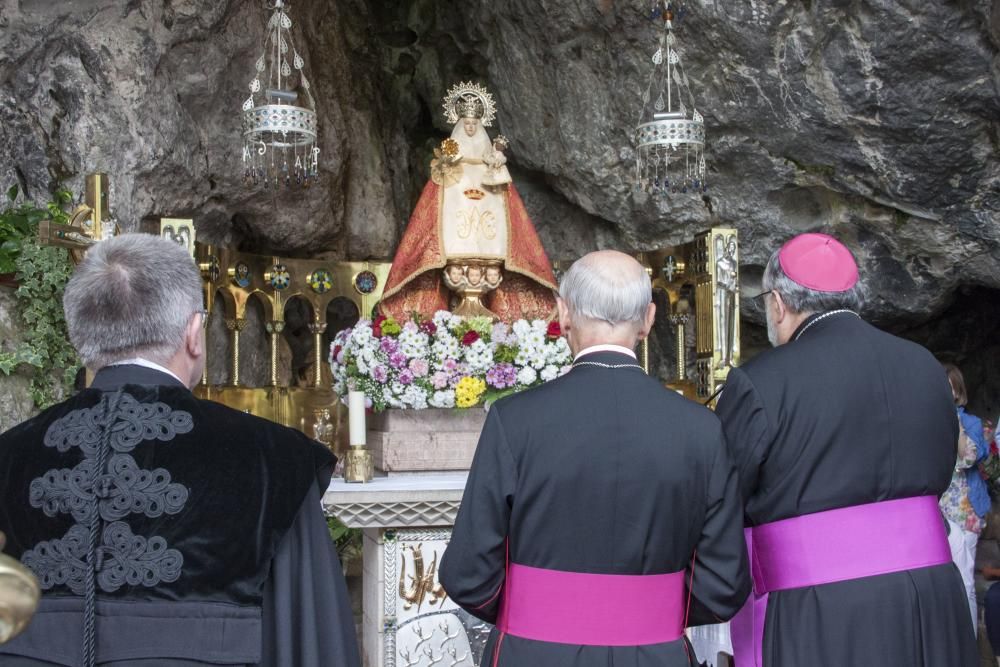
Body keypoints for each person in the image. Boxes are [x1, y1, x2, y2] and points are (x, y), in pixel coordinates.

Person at [0, 234, 360, 667]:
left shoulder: (8, 455)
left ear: (82, 339)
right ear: (194, 333)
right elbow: (309, 643)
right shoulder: (273, 462)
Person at [440, 250, 750, 666]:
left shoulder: (514, 421)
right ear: (649, 319)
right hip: (656, 653)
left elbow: (468, 573)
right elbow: (723, 582)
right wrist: (642, 610)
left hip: (534, 654)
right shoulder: (701, 429)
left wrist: (545, 612)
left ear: (563, 313)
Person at [716, 232, 977, 666]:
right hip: (930, 595)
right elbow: (941, 464)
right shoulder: (925, 366)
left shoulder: (760, 381)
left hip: (820, 609)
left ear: (778, 304)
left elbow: (725, 494)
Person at [378, 82, 557, 322]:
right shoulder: (450, 166)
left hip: (489, 243)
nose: (471, 128)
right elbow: (434, 207)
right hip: (454, 245)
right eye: (467, 124)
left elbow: (507, 205)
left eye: (474, 124)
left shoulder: (491, 164)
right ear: (460, 125)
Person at [940, 362, 989, 635]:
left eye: (947, 388)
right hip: (938, 510)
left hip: (965, 511)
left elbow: (970, 458)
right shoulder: (929, 423)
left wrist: (954, 422)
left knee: (966, 581)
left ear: (958, 391)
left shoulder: (970, 422)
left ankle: (968, 647)